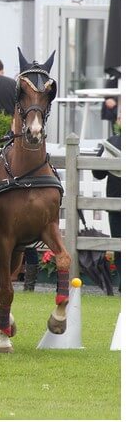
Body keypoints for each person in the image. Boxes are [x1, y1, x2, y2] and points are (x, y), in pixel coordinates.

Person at [92, 116, 121, 291]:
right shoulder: (111, 142)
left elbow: (98, 173)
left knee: (119, 244)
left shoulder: (112, 142)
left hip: (115, 201)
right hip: (115, 202)